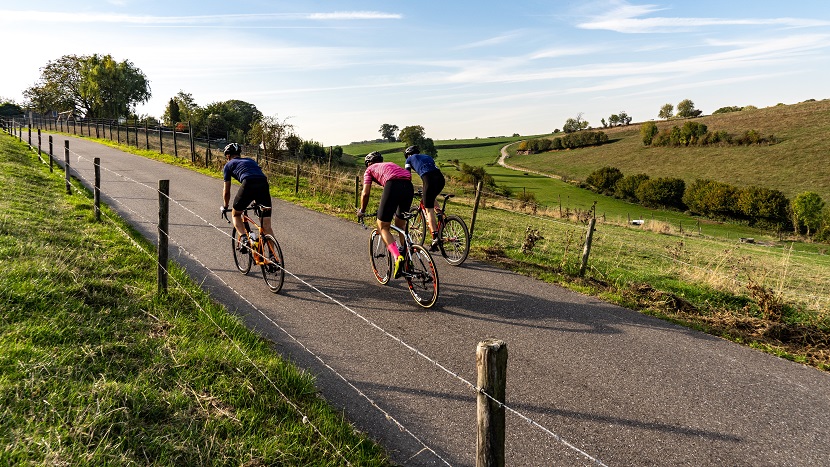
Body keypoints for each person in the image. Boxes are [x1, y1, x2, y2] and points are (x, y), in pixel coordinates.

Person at [357, 151, 414, 279]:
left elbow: (365, 193)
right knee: (400, 224)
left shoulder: (370, 169)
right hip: (408, 185)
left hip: (393, 185)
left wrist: (362, 210)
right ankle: (407, 253)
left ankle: (397, 257)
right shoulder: (390, 164)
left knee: (383, 226)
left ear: (369, 163)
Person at [221, 143, 273, 250]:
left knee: (236, 214)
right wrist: (255, 201)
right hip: (263, 183)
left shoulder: (228, 165)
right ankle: (274, 257)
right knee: (266, 225)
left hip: (248, 183)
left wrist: (226, 206)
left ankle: (244, 239)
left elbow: (226, 191)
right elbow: (257, 178)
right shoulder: (251, 160)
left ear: (228, 156)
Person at [404, 145, 446, 251]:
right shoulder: (427, 156)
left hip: (428, 180)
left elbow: (407, 176)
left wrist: (407, 188)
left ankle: (435, 237)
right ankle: (441, 215)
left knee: (428, 210)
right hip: (440, 179)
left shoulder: (409, 159)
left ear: (408, 154)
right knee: (432, 197)